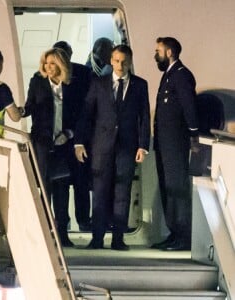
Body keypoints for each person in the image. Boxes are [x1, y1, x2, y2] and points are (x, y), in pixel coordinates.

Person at [75, 44, 150, 250]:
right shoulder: (99, 83)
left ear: (130, 61)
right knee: (99, 193)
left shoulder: (140, 85)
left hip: (127, 147)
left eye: (124, 61)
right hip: (101, 147)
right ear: (110, 61)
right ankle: (97, 238)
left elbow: (144, 117)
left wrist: (143, 146)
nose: (120, 65)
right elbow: (87, 113)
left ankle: (118, 239)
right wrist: (79, 142)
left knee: (122, 194)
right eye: (116, 61)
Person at [21, 47, 78, 247]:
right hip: (43, 143)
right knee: (44, 188)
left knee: (62, 189)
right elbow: (29, 107)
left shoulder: (72, 85)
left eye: (53, 63)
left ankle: (63, 233)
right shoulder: (37, 82)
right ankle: (45, 233)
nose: (48, 67)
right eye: (46, 63)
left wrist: (69, 134)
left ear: (61, 65)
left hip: (64, 144)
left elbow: (79, 115)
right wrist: (18, 111)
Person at [152, 37, 199, 251]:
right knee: (167, 187)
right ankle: (174, 232)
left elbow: (189, 106)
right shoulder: (169, 75)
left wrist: (193, 133)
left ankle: (183, 235)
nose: (155, 55)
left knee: (177, 188)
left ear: (169, 51)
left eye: (158, 51)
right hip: (164, 143)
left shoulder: (181, 75)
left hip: (176, 143)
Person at [53, 41, 92, 232]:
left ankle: (83, 220)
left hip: (79, 136)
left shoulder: (83, 73)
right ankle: (62, 222)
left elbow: (89, 106)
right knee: (59, 183)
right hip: (56, 139)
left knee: (80, 182)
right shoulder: (47, 75)